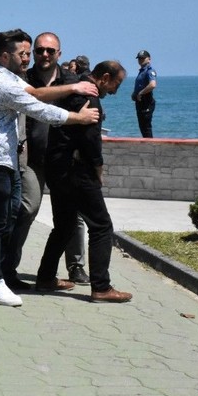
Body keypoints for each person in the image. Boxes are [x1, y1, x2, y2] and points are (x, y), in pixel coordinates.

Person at [0, 29, 99, 307]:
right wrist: (79, 116)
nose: (28, 59)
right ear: (4, 56)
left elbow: (36, 91)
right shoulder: (1, 84)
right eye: (23, 54)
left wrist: (71, 86)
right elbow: (40, 107)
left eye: (29, 53)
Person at [36, 61, 133, 303]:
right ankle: (101, 287)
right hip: (77, 171)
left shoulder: (72, 90)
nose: (115, 90)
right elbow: (91, 141)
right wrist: (98, 168)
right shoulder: (91, 98)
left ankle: (46, 277)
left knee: (65, 225)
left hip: (57, 168)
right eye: (116, 84)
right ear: (105, 77)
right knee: (101, 226)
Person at [5, 33, 91, 290]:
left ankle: (75, 266)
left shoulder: (74, 81)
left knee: (71, 215)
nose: (44, 55)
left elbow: (89, 116)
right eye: (39, 50)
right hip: (32, 159)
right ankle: (8, 268)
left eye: (49, 51)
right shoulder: (23, 79)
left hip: (65, 159)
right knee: (27, 208)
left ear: (59, 54)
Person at [133, 50, 157, 138]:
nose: (140, 60)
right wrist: (134, 94)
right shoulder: (141, 71)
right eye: (139, 58)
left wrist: (141, 93)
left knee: (146, 126)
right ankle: (146, 142)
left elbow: (153, 84)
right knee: (142, 125)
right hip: (140, 102)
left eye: (143, 58)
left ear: (149, 59)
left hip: (146, 100)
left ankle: (149, 144)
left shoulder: (149, 71)